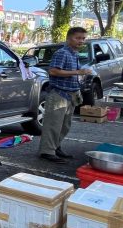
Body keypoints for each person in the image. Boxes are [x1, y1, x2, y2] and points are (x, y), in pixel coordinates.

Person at [39, 27, 94, 164]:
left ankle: (56, 147)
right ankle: (47, 151)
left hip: (71, 94)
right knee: (53, 125)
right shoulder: (62, 53)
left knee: (65, 125)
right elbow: (53, 71)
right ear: (69, 38)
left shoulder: (74, 54)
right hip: (59, 94)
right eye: (78, 38)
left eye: (83, 38)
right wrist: (78, 72)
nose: (81, 41)